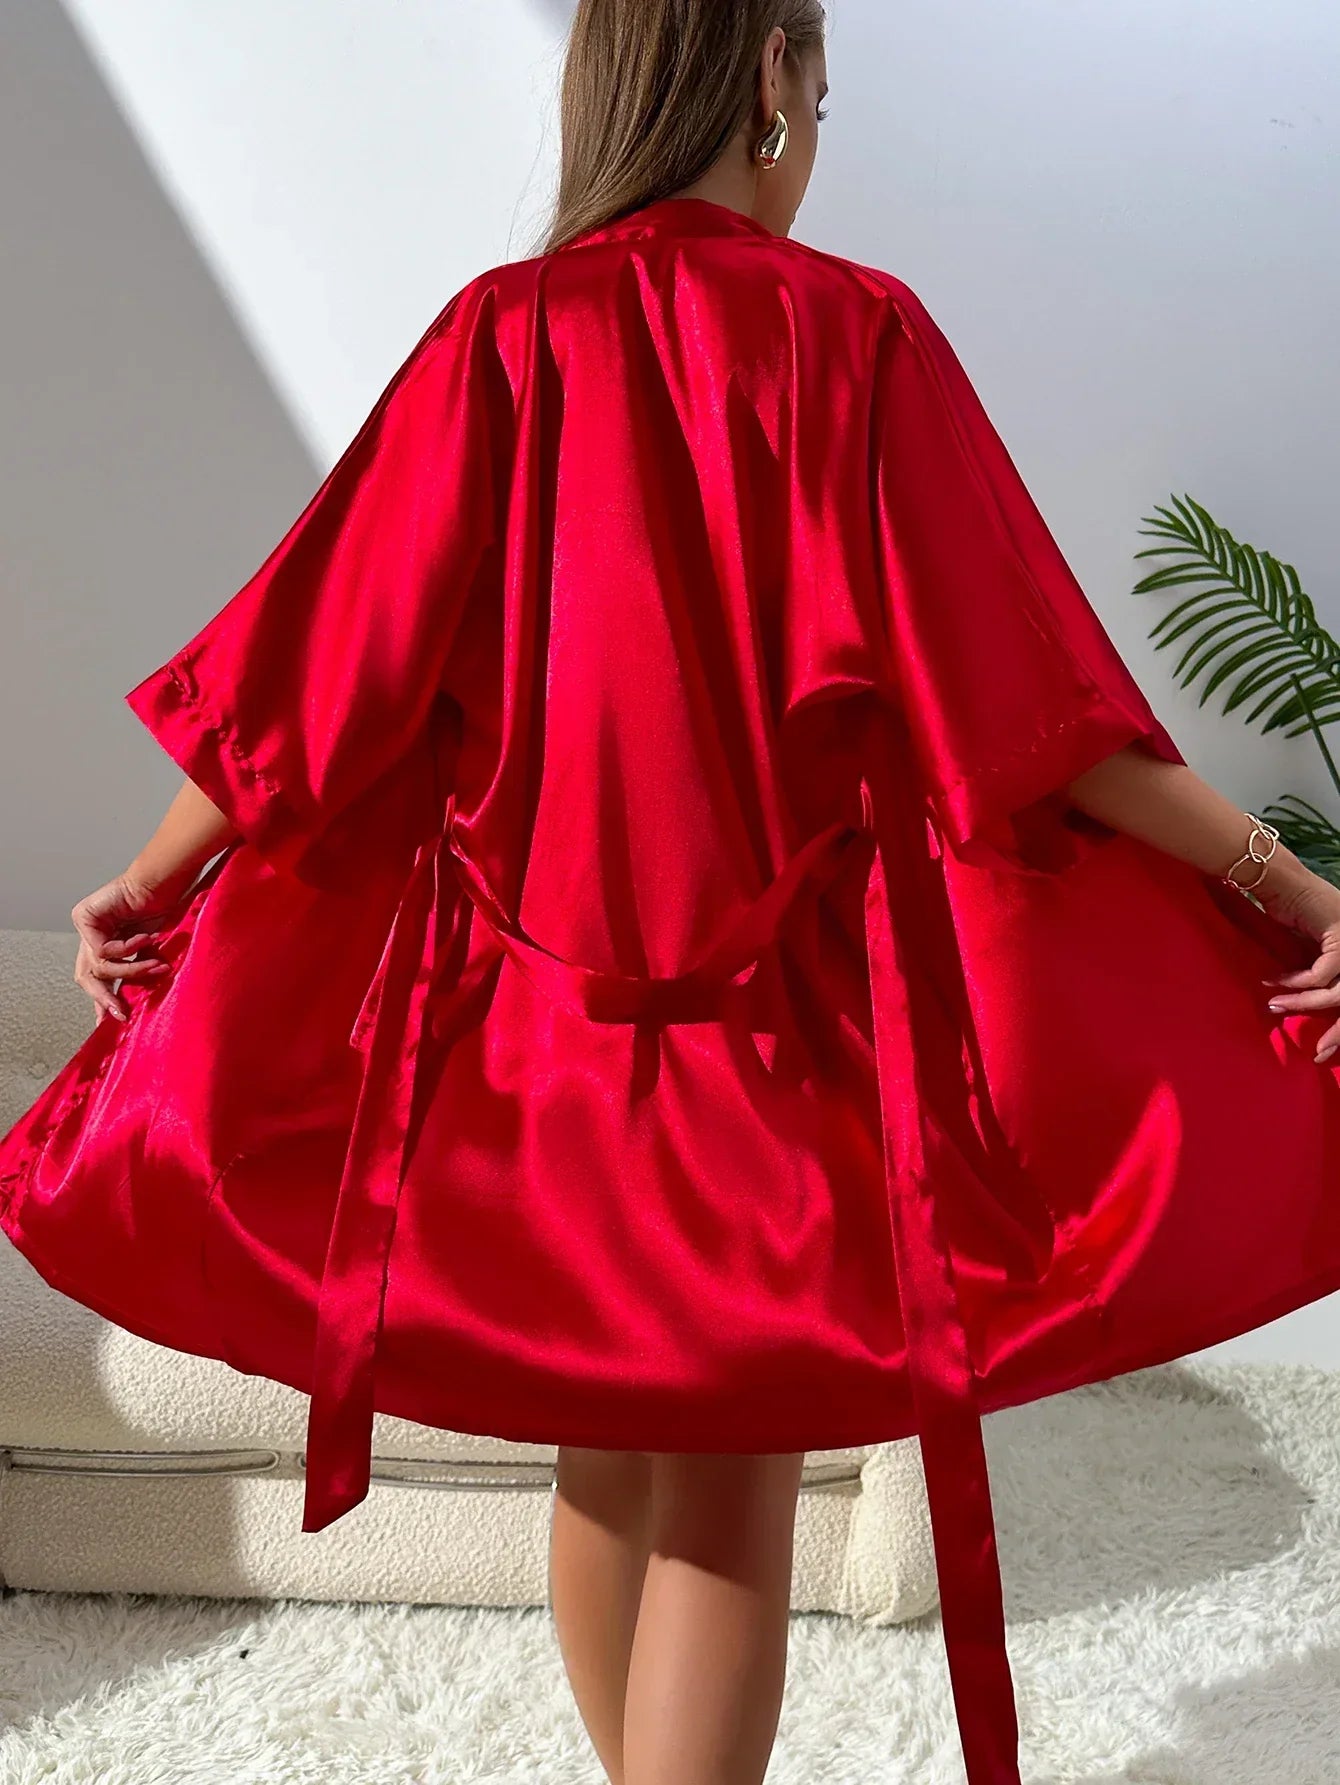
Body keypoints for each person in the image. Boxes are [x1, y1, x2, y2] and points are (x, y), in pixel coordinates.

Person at [4, 1, 1340, 1780]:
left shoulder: (496, 336)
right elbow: (1035, 720)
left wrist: (146, 874)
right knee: (727, 1486)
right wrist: (1284, 882)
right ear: (773, 75)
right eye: (822, 100)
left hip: (535, 1051)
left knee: (609, 1450)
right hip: (777, 1050)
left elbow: (320, 677)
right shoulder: (855, 333)